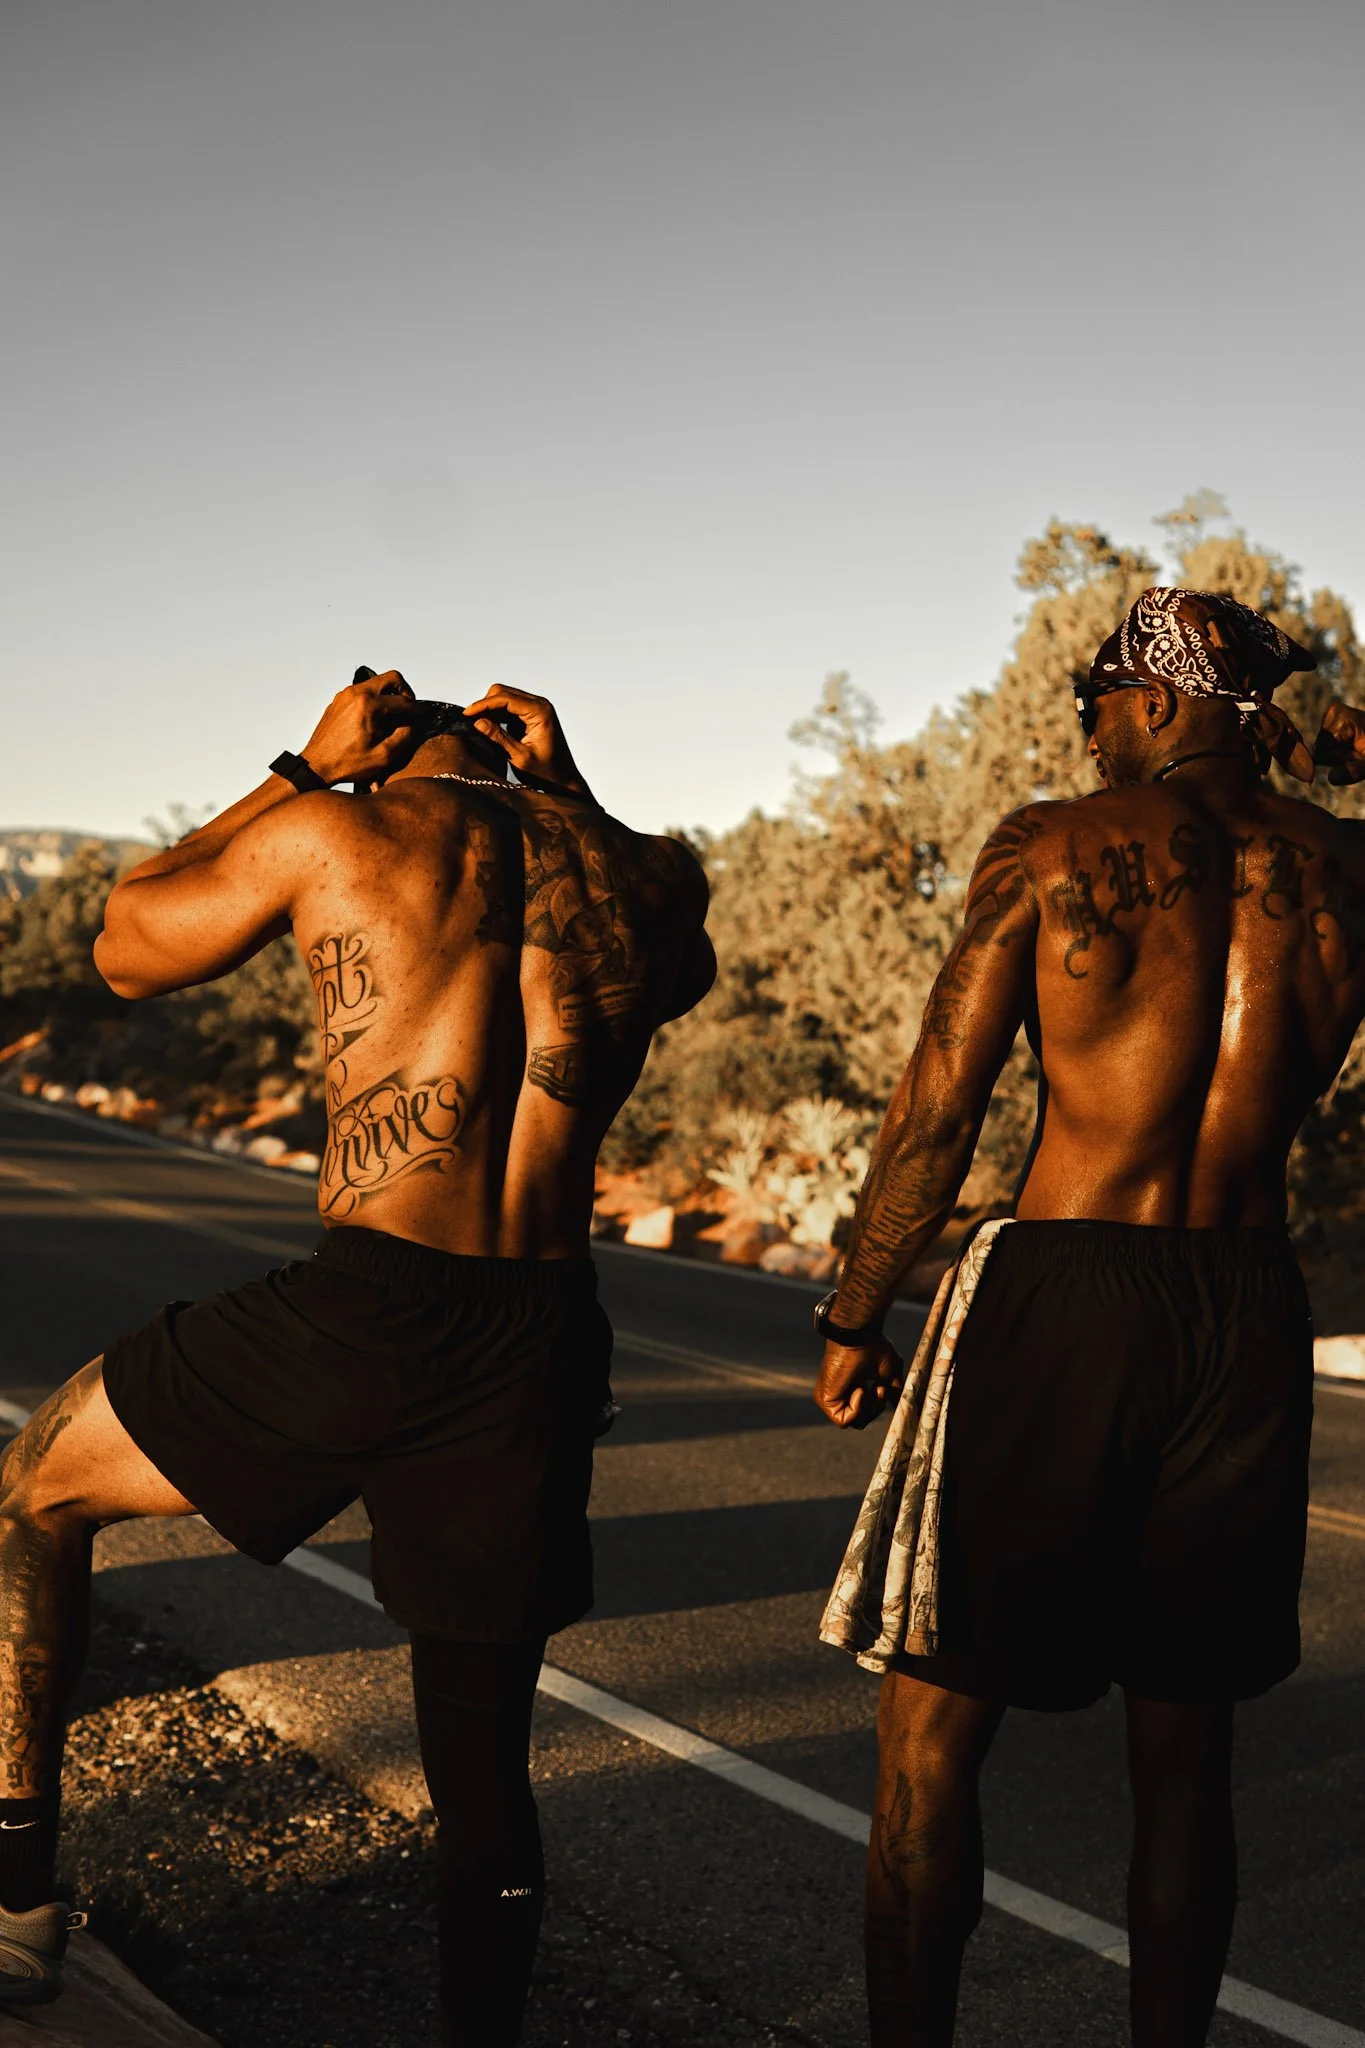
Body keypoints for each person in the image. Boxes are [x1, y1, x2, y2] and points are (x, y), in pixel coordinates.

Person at [0, 671, 714, 2040]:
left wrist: (298, 766)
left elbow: (127, 947)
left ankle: (16, 1906)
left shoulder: (342, 825)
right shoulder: (621, 872)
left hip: (374, 1306)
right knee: (482, 1757)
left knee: (35, 1490)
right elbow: (683, 966)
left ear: (392, 759)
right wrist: (572, 789)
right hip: (541, 1326)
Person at [812, 587, 1365, 2048]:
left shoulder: (1056, 847)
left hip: (1068, 1291)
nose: (1090, 725)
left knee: (930, 1732)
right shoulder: (1348, 869)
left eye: (1104, 697)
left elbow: (940, 1105)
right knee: (1186, 1754)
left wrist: (858, 1306)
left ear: (1168, 701)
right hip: (1245, 1311)